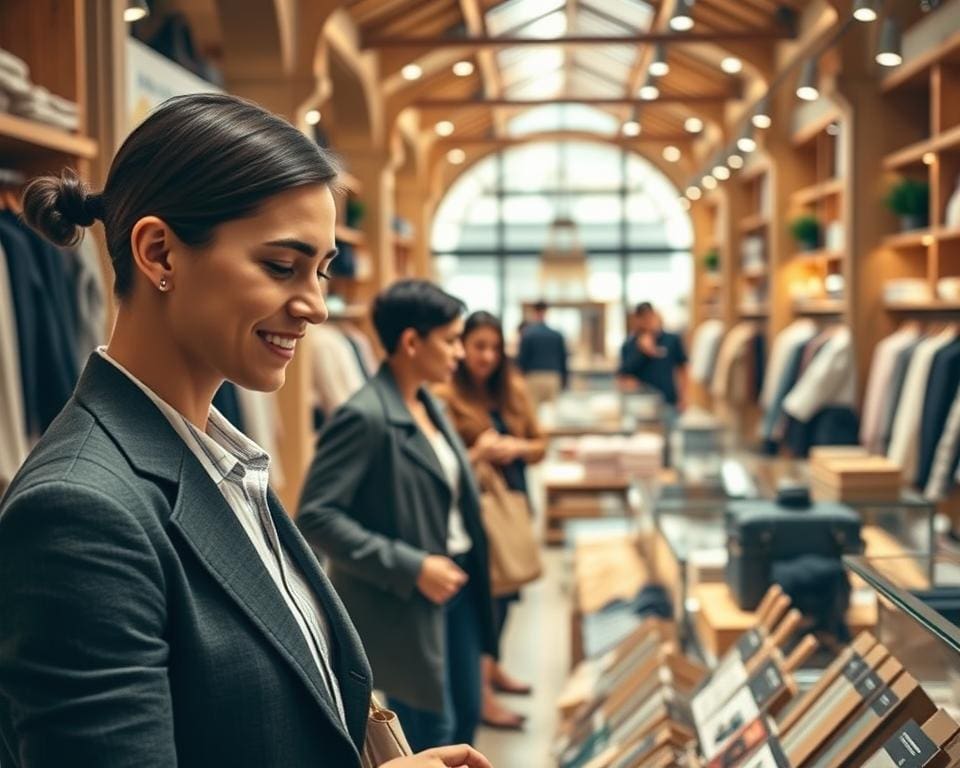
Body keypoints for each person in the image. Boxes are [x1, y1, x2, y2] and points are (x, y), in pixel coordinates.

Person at [0, 93, 490, 768]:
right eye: (282, 267)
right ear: (160, 253)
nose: (316, 306)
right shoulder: (79, 513)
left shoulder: (221, 461)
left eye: (321, 270)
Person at [297, 280, 497, 753]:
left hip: (458, 586)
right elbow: (317, 514)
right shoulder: (364, 416)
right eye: (450, 340)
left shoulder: (428, 403)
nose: (459, 352)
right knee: (430, 733)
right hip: (405, 601)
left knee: (466, 715)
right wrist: (412, 566)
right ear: (411, 342)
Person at [434, 311, 547, 732]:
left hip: (513, 502)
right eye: (479, 346)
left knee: (509, 592)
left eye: (494, 348)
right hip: (478, 511)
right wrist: (480, 452)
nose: (487, 356)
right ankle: (481, 694)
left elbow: (540, 445)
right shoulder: (446, 396)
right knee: (489, 596)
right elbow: (443, 461)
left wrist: (516, 447)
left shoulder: (512, 391)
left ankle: (492, 670)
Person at [617, 301, 689, 412]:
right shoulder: (629, 345)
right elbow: (623, 375)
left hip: (669, 402)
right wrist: (642, 351)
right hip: (640, 404)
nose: (647, 321)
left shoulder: (671, 340)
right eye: (642, 317)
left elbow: (682, 369)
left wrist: (683, 397)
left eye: (649, 316)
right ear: (637, 319)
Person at [516, 300, 568, 408]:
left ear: (534, 312)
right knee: (552, 413)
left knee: (532, 412)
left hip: (533, 376)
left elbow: (522, 359)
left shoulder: (528, 334)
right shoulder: (556, 335)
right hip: (553, 376)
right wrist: (565, 379)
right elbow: (563, 359)